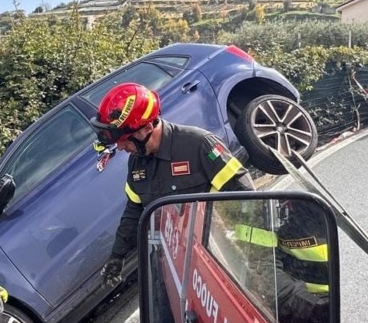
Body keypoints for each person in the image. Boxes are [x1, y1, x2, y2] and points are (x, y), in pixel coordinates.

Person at [95, 83, 253, 288]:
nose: (121, 147)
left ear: (146, 129)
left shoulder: (199, 144)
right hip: (179, 265)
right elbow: (134, 212)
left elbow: (246, 198)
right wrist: (117, 256)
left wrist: (249, 258)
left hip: (220, 259)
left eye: (125, 140)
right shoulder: (136, 162)